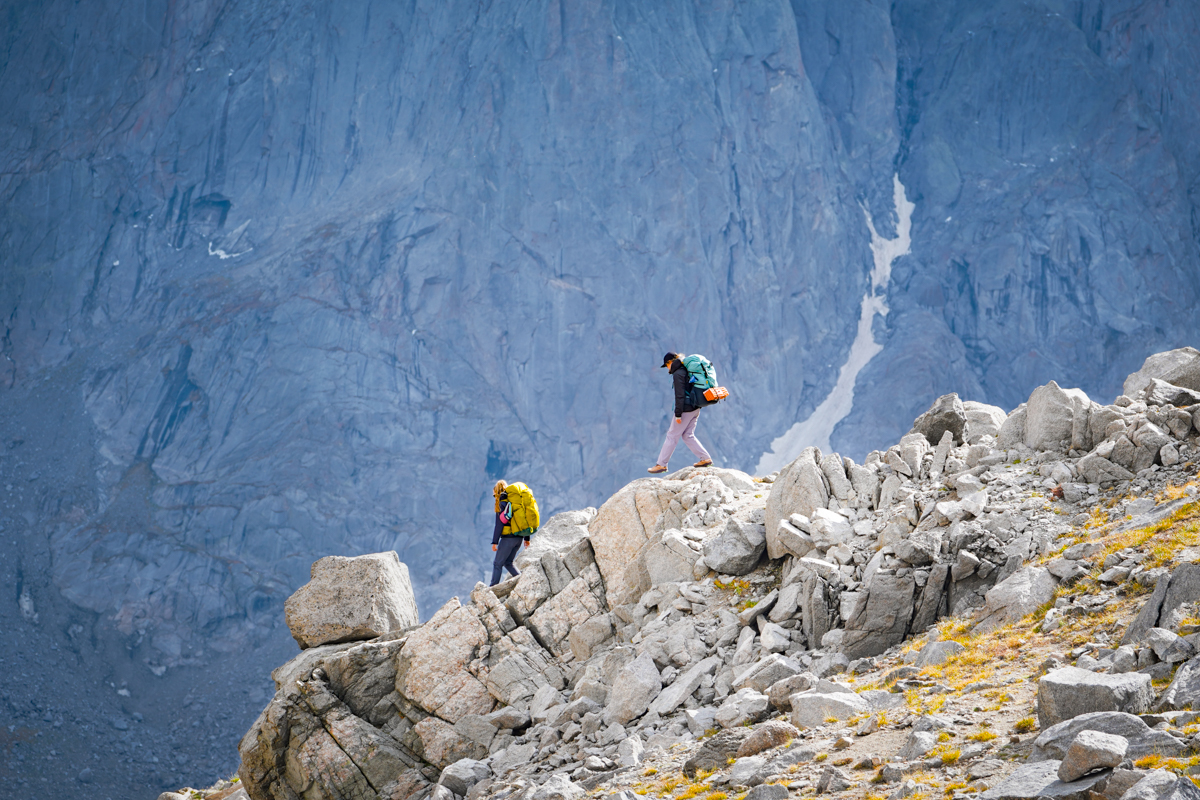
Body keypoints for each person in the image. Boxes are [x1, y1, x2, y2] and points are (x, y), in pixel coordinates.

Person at [648, 351, 713, 473]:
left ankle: (661, 464)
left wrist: (678, 414)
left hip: (686, 409)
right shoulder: (686, 369)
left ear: (670, 362)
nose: (667, 368)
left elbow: (680, 395)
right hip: (695, 407)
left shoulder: (678, 373)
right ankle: (705, 458)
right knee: (688, 435)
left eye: (666, 365)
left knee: (672, 436)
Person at [489, 480, 529, 585]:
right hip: (518, 538)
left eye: (494, 495)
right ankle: (524, 582)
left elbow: (499, 525)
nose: (494, 498)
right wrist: (526, 538)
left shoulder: (501, 505)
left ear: (497, 493)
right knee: (508, 563)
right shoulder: (515, 503)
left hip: (508, 539)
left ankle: (492, 589)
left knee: (497, 564)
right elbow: (523, 520)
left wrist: (495, 542)